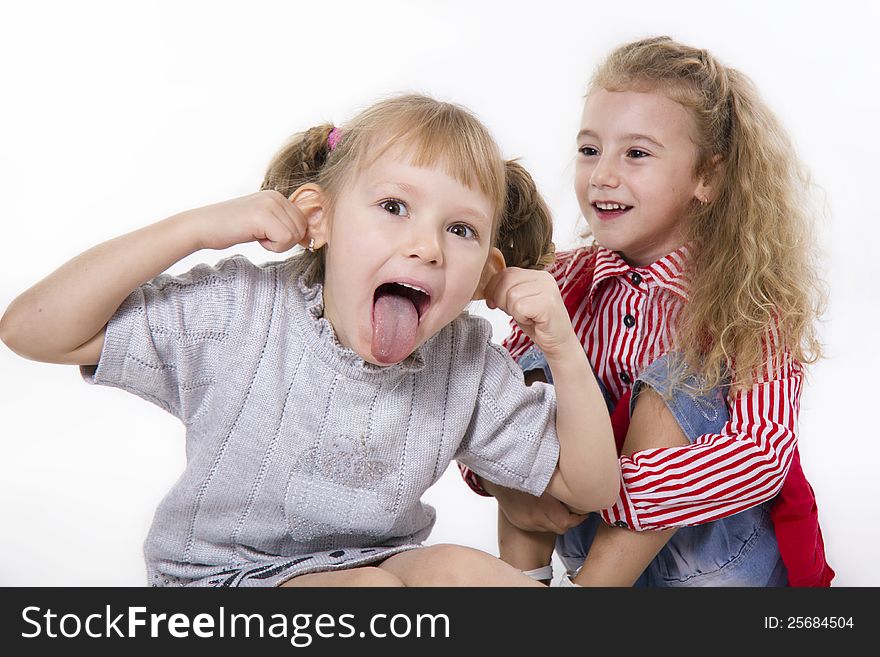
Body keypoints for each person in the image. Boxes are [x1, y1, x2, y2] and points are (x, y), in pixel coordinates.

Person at [0, 93, 618, 587]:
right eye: (394, 206)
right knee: (370, 597)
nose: (427, 247)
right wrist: (193, 229)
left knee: (459, 569)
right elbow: (32, 330)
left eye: (460, 229)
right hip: (223, 582)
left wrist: (561, 345)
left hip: (380, 565)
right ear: (319, 220)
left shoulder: (463, 360)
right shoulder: (242, 311)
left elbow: (589, 487)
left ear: (486, 269)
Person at [460, 36, 834, 587]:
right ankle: (521, 587)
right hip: (578, 526)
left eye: (636, 153)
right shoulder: (567, 280)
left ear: (707, 177)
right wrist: (508, 480)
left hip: (714, 563)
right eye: (591, 150)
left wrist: (602, 484)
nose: (603, 175)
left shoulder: (746, 300)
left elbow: (764, 454)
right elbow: (477, 401)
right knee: (528, 371)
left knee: (678, 382)